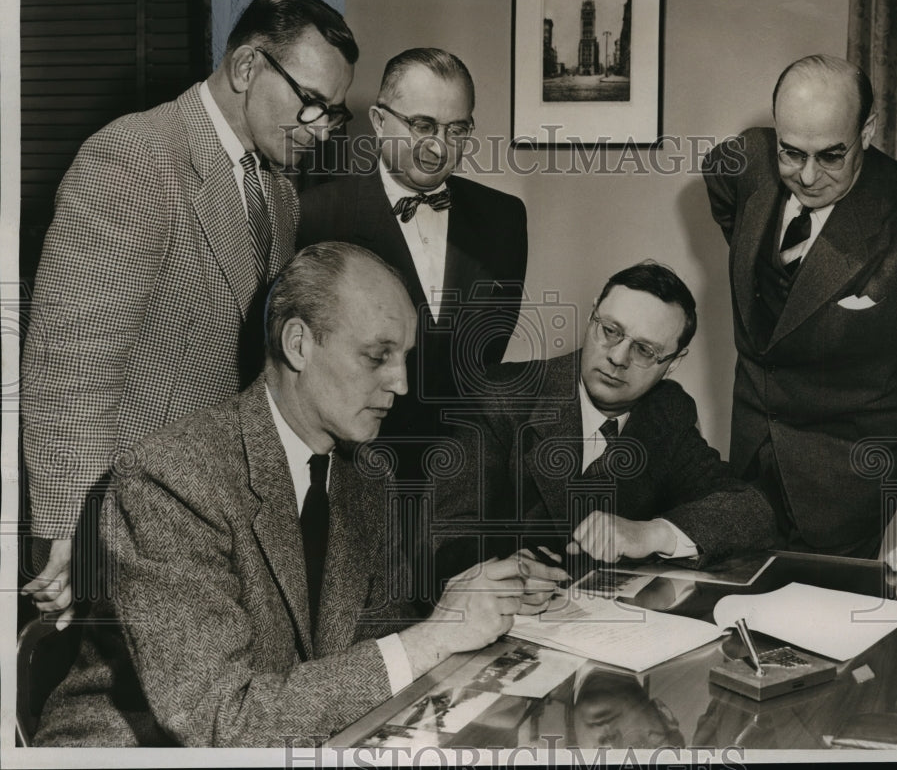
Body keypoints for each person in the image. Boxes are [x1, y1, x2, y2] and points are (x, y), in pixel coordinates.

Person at [32, 243, 566, 747]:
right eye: (378, 357)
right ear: (298, 344)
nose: (402, 384)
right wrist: (437, 635)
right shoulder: (172, 478)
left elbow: (383, 626)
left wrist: (481, 596)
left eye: (403, 357)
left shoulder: (365, 474)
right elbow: (222, 721)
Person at [20, 0, 360, 626]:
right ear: (246, 68)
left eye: (333, 114)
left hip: (209, 510)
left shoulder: (277, 185)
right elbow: (69, 368)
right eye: (310, 104)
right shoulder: (133, 160)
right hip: (127, 517)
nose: (320, 129)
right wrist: (75, 530)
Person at [701, 54, 897, 575]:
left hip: (845, 479)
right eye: (792, 153)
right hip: (749, 447)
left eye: (832, 155)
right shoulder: (745, 158)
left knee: (812, 636)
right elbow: (723, 191)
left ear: (867, 131)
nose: (808, 176)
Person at [432, 261, 776, 586]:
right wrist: (512, 576)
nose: (617, 357)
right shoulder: (503, 395)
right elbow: (443, 538)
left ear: (671, 364)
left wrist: (652, 533)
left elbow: (751, 509)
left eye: (645, 350)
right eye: (610, 331)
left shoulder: (668, 411)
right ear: (591, 316)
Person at [297, 47, 528, 476]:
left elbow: (487, 356)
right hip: (355, 471)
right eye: (423, 125)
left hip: (468, 472)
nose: (439, 147)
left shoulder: (505, 218)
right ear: (380, 122)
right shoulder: (316, 216)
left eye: (457, 129)